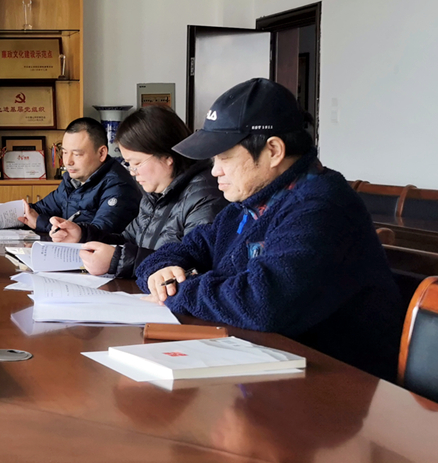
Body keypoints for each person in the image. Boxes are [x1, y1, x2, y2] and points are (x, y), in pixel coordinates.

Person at [137, 78, 404, 381]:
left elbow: (262, 303)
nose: (215, 170)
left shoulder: (321, 207)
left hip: (333, 384)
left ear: (274, 150)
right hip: (264, 366)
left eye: (224, 157)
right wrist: (160, 272)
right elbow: (185, 249)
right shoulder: (249, 205)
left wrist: (177, 290)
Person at [49, 106, 225, 278]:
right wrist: (82, 235)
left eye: (137, 163)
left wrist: (116, 260)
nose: (132, 172)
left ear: (167, 156)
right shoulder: (155, 194)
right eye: (129, 164)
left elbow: (191, 268)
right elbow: (128, 240)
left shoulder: (205, 197)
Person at [18, 117, 140, 237]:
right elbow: (39, 210)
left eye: (77, 154)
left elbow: (99, 234)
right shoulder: (72, 181)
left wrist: (41, 223)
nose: (68, 162)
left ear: (101, 153)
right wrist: (15, 213)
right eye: (64, 152)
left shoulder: (119, 187)